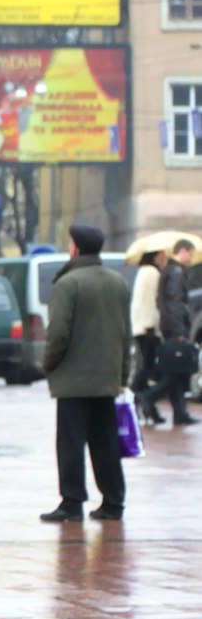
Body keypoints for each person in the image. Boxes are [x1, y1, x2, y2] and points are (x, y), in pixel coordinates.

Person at [40, 224, 131, 523]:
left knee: (70, 443)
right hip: (106, 379)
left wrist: (48, 364)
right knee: (106, 442)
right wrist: (122, 376)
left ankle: (72, 502)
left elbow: (58, 333)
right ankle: (113, 502)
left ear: (75, 247)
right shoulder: (117, 281)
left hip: (73, 380)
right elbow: (125, 334)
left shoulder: (69, 283)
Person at [138, 240, 198, 427]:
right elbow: (174, 303)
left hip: (169, 328)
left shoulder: (169, 271)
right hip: (175, 330)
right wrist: (179, 331)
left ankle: (180, 413)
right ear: (183, 251)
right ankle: (148, 397)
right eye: (191, 253)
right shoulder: (176, 272)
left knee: (177, 372)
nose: (191, 258)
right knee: (174, 374)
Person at [129, 251, 165, 416]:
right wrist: (151, 325)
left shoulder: (143, 271)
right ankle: (139, 397)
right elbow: (150, 300)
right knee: (149, 367)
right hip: (148, 327)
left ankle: (144, 404)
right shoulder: (151, 272)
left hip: (141, 325)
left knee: (147, 366)